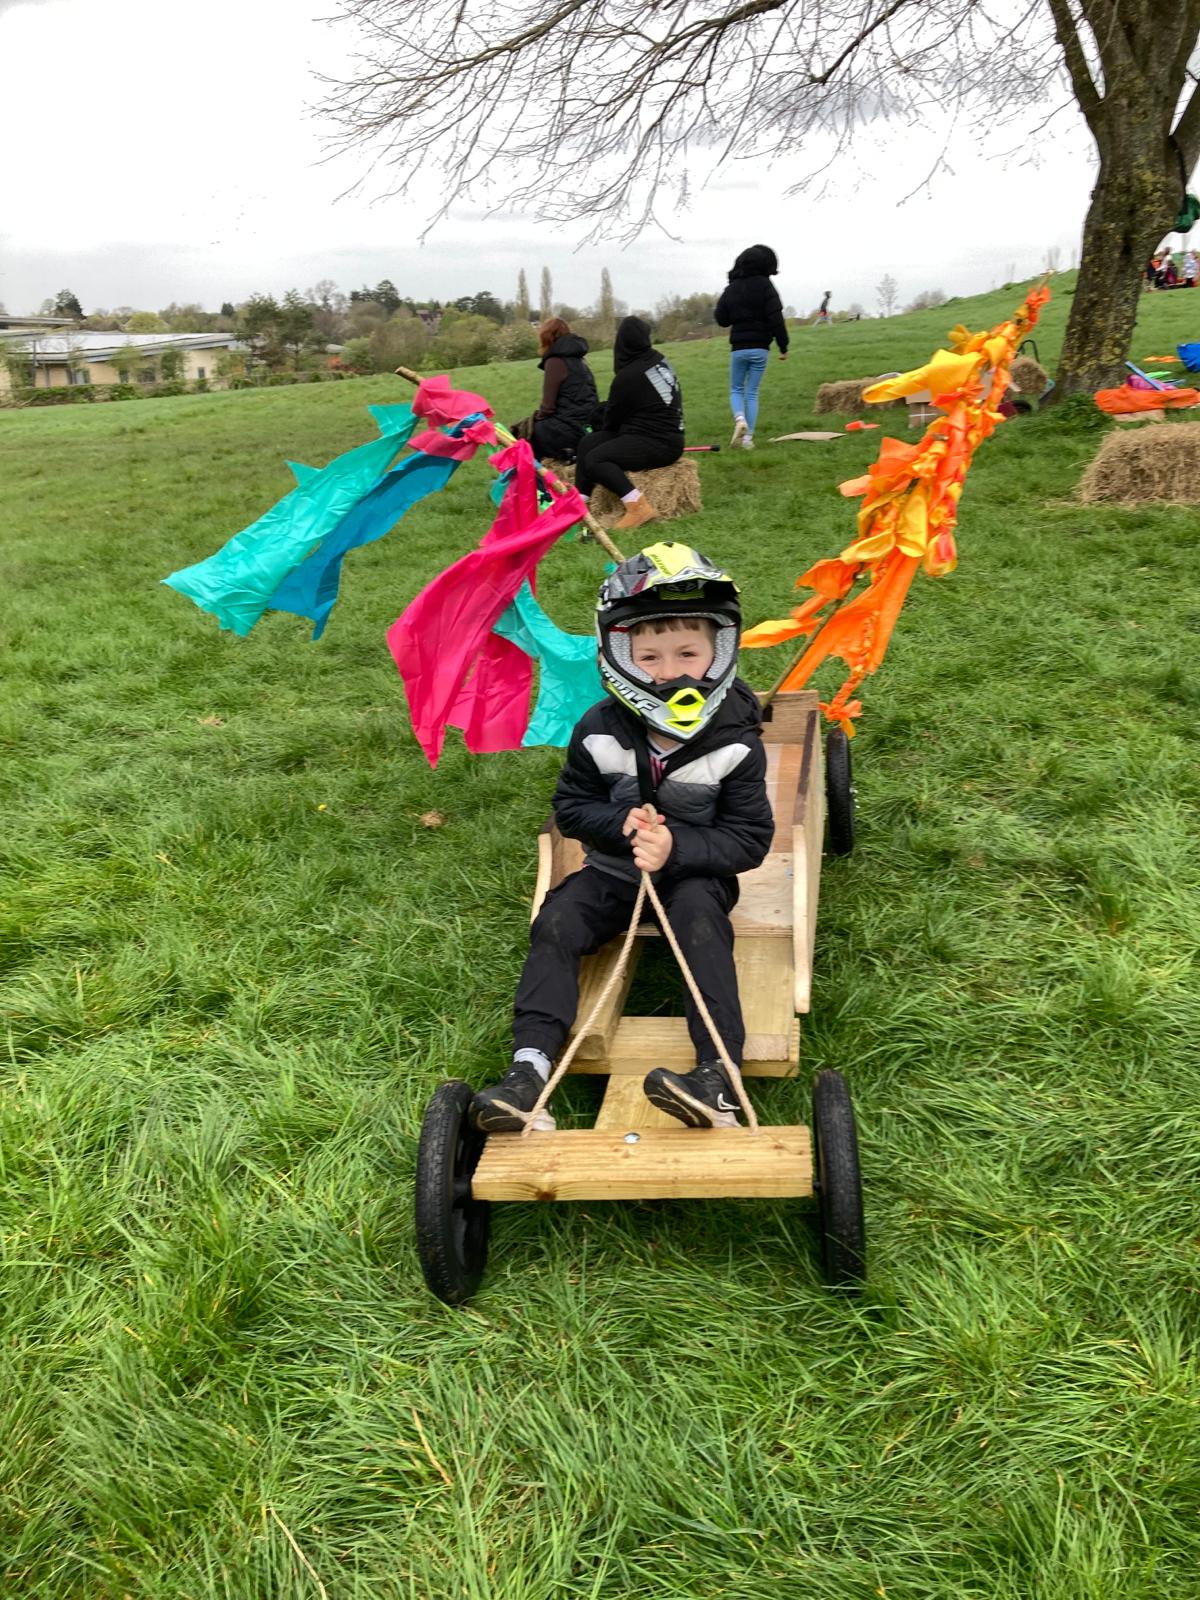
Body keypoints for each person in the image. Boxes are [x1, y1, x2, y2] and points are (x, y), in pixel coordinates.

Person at [471, 542, 774, 1134]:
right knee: (555, 922)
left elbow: (749, 839)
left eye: (688, 652)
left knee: (701, 926)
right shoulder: (598, 730)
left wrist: (678, 850)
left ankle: (719, 1076)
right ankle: (528, 1072)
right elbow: (571, 807)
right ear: (621, 656)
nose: (671, 670)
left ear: (720, 651)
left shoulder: (737, 740)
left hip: (695, 876)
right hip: (613, 871)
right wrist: (618, 824)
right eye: (651, 655)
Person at [572, 317, 685, 533]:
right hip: (656, 434)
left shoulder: (628, 376)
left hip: (659, 442)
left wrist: (602, 421)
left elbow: (612, 421)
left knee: (596, 459)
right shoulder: (658, 360)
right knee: (588, 443)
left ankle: (638, 506)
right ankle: (580, 505)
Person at [713, 243, 790, 451]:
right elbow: (776, 319)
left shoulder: (731, 289)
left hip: (738, 348)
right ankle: (748, 440)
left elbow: (721, 319)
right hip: (760, 349)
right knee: (752, 391)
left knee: (736, 388)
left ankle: (740, 419)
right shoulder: (766, 286)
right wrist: (783, 347)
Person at [510, 317, 598, 462]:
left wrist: (532, 421)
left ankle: (533, 478)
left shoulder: (555, 361)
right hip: (587, 425)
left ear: (546, 337)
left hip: (570, 428)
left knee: (526, 434)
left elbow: (547, 408)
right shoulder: (580, 359)